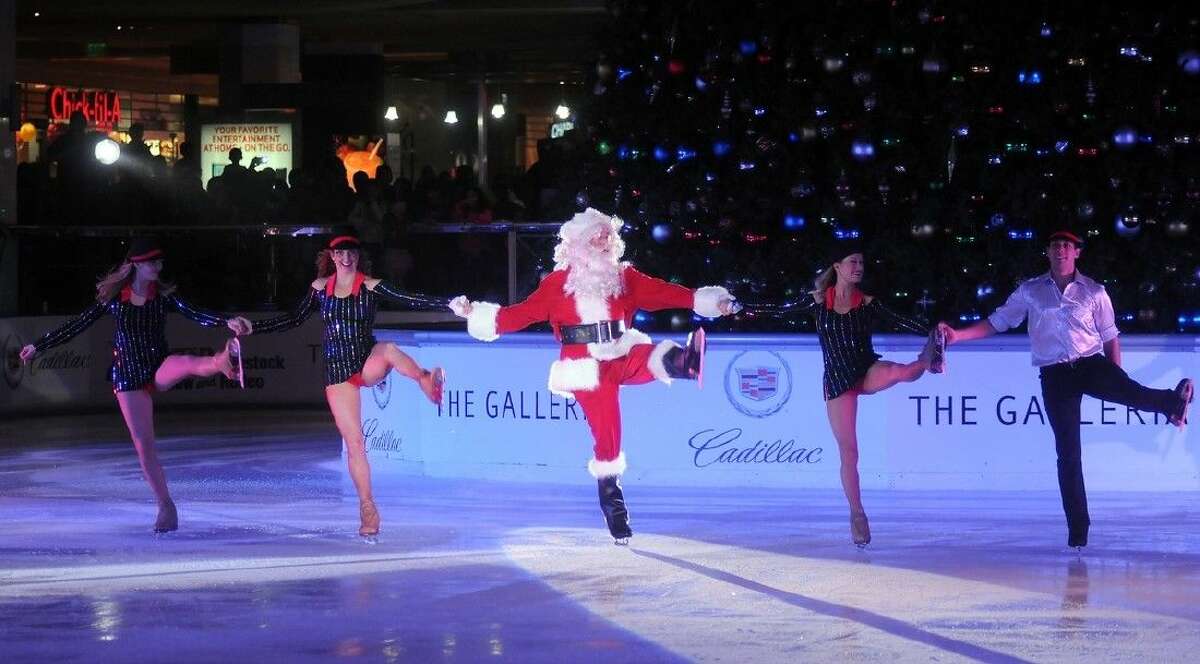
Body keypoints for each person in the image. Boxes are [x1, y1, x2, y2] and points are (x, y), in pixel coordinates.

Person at [449, 208, 738, 544]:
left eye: (608, 236)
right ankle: (613, 502)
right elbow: (516, 317)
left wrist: (709, 301)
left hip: (620, 353)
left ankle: (685, 362)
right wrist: (474, 313)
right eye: (597, 236)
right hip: (586, 368)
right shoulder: (556, 285)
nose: (605, 240)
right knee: (609, 432)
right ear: (578, 244)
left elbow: (666, 293)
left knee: (648, 356)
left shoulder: (624, 278)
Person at [941, 230, 1192, 549]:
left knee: (1132, 391)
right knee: (1068, 453)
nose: (1060, 249)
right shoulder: (1030, 291)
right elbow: (998, 322)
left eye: (1067, 246)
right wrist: (958, 336)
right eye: (1055, 245)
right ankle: (1078, 530)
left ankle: (1173, 404)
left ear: (1077, 253)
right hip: (1055, 375)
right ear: (1048, 252)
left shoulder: (1094, 291)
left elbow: (1110, 336)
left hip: (1090, 364)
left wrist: (1116, 376)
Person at [19, 239, 251, 533]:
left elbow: (196, 313)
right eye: (152, 262)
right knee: (145, 446)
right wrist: (38, 346)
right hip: (127, 377)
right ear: (137, 265)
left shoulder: (164, 297)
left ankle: (222, 360)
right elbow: (76, 325)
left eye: (159, 262)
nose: (158, 267)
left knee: (187, 361)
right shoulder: (114, 300)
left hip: (158, 366)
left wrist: (226, 321)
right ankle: (165, 505)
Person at [249, 235, 446, 541]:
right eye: (340, 252)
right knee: (355, 442)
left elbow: (412, 299)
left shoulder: (370, 286)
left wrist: (452, 304)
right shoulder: (319, 289)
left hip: (367, 362)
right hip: (338, 373)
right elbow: (292, 320)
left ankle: (424, 379)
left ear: (358, 255)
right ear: (331, 255)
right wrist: (253, 326)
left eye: (351, 252)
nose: (346, 258)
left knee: (390, 347)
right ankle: (367, 507)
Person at [748, 244, 943, 547]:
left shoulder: (867, 302)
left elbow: (901, 320)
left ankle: (929, 358)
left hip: (866, 369)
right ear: (836, 266)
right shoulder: (816, 302)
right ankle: (857, 514)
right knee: (849, 452)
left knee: (903, 372)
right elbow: (777, 309)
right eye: (852, 262)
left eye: (862, 262)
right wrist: (738, 307)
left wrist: (932, 331)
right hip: (838, 381)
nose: (859, 267)